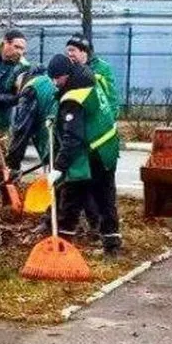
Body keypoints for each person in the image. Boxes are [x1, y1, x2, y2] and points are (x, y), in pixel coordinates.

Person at [45, 54, 122, 257]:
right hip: (107, 148)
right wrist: (55, 117)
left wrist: (59, 168)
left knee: (72, 196)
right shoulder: (89, 79)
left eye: (57, 78)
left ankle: (62, 247)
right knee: (105, 198)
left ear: (66, 75)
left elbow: (73, 138)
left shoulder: (74, 98)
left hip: (92, 153)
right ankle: (112, 247)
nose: (55, 82)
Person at [5, 67, 57, 178]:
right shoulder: (46, 80)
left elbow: (22, 130)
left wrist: (13, 165)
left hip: (54, 142)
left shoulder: (30, 90)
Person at [65, 34, 118, 120]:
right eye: (68, 51)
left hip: (99, 120)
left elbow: (111, 97)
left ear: (84, 51)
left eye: (72, 50)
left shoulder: (102, 69)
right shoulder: (67, 68)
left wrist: (110, 119)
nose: (69, 54)